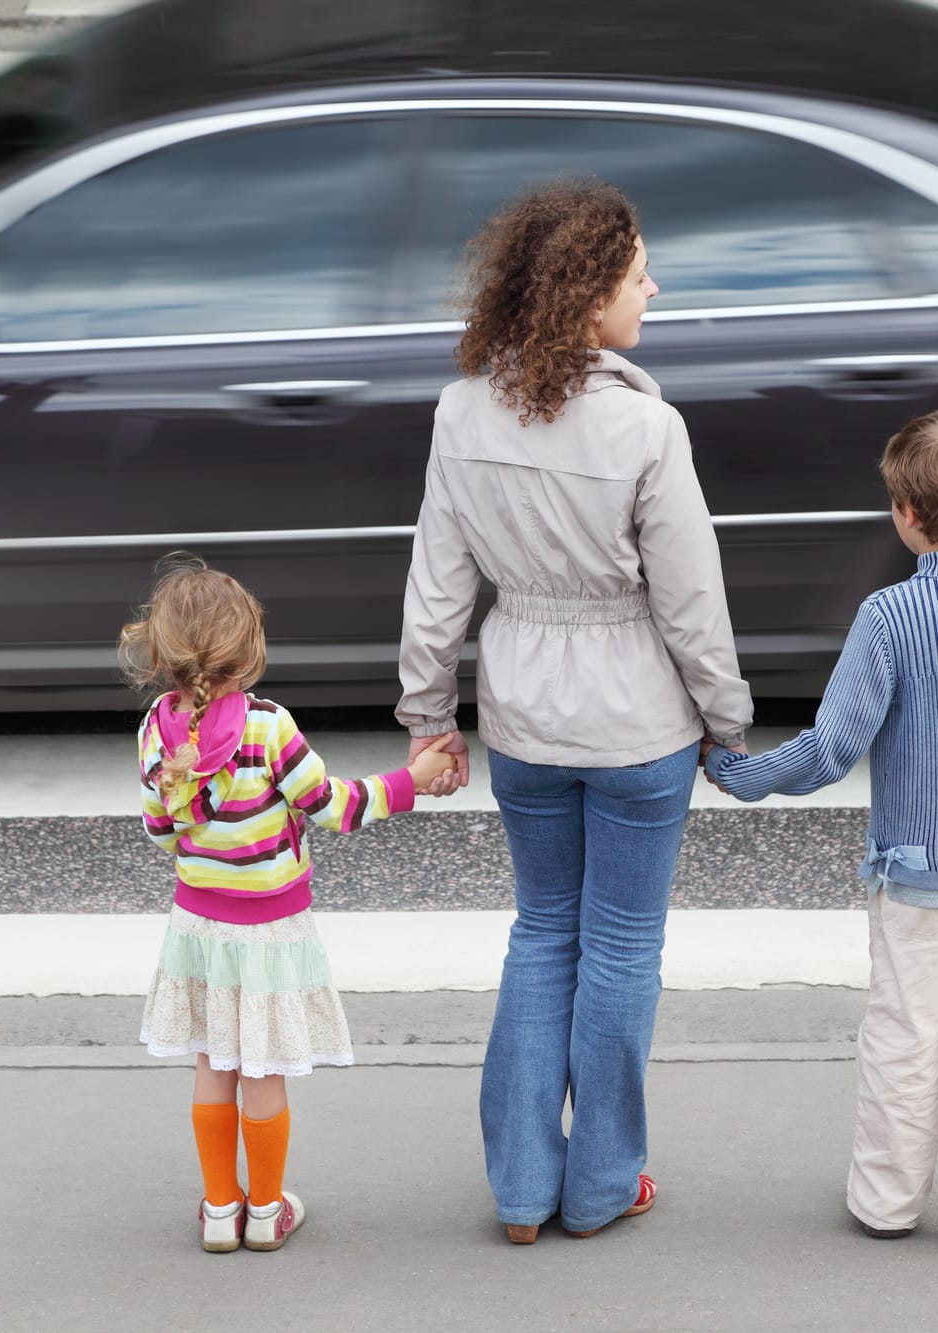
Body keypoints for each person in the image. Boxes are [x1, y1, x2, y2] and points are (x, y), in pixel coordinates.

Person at [396, 181, 753, 1244]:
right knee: (622, 947)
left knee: (541, 931)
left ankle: (517, 1186)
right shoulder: (648, 427)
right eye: (637, 270)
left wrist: (428, 714)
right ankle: (602, 1182)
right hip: (637, 722)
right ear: (589, 292)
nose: (653, 286)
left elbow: (436, 583)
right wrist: (724, 723)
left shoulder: (462, 409)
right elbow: (690, 603)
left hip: (524, 721)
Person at [703, 405, 938, 1258]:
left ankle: (886, 1202)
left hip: (917, 872)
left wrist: (739, 774)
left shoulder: (890, 618)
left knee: (903, 1031)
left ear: (910, 515)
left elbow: (834, 746)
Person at [120, 556, 457, 1254]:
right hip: (269, 930)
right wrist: (411, 780)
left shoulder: (157, 726)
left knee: (214, 1059)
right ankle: (267, 1209)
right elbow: (332, 806)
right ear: (248, 652)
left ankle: (220, 1208)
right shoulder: (269, 728)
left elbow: (158, 827)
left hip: (198, 925)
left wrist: (204, 854)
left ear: (165, 653)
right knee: (263, 1066)